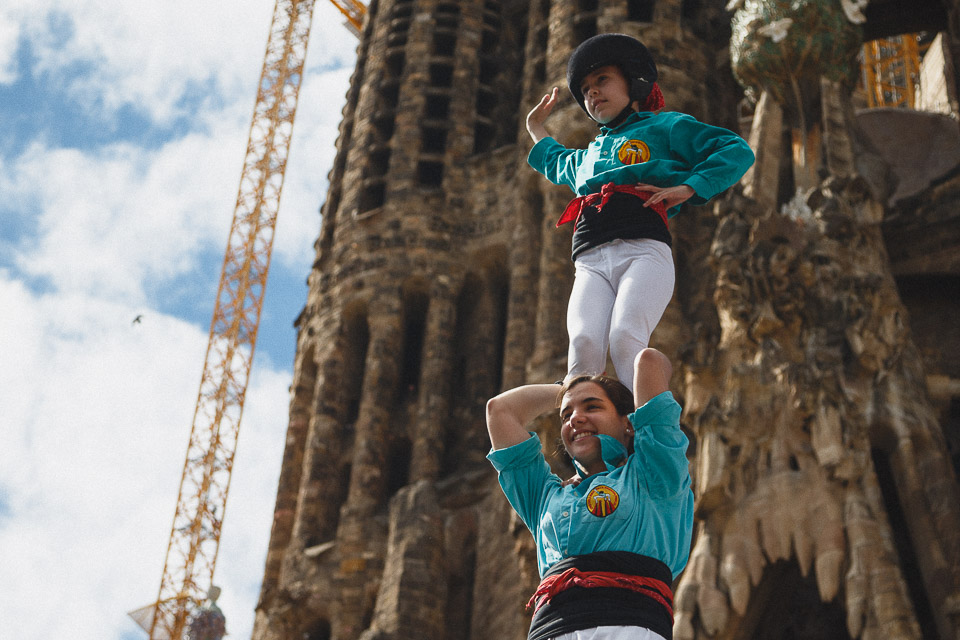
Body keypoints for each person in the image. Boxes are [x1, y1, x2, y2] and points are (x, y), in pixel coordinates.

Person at [526, 33, 755, 391]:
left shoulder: (665, 127)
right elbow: (555, 161)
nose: (592, 93)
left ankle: (647, 432)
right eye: (585, 88)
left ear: (633, 82)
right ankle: (590, 439)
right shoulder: (586, 157)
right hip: (590, 260)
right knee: (583, 347)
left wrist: (691, 187)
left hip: (643, 250)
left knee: (625, 338)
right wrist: (535, 127)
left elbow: (735, 149)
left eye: (602, 80)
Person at [486, 348, 694, 640]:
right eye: (566, 414)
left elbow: (649, 362)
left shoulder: (653, 475)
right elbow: (500, 411)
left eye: (592, 407)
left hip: (628, 627)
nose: (575, 419)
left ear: (628, 423)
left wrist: (609, 369)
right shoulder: (546, 498)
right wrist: (567, 387)